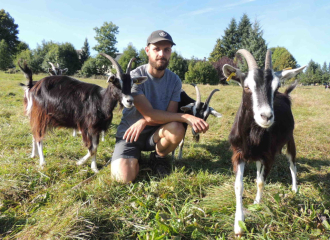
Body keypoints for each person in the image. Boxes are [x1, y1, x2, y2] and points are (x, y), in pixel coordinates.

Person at [110, 30, 209, 183]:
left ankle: (158, 157)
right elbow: (149, 114)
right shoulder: (134, 77)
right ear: (147, 50)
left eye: (167, 49)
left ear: (170, 53)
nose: (161, 54)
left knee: (176, 128)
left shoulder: (174, 80)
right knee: (122, 179)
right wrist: (187, 116)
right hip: (130, 134)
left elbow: (169, 116)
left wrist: (144, 121)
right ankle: (131, 157)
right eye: (156, 49)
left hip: (156, 134)